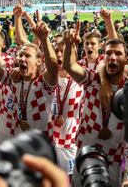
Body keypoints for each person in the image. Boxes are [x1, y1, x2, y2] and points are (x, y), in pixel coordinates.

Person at [0, 11, 58, 139]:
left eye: (27, 55)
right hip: (19, 140)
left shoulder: (45, 83)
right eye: (20, 55)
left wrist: (44, 39)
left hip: (41, 143)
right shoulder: (13, 78)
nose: (21, 58)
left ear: (39, 61)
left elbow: (53, 65)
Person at [63, 23, 128, 186]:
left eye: (118, 54)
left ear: (127, 59)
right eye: (108, 53)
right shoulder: (91, 79)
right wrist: (68, 44)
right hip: (85, 154)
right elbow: (69, 66)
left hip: (112, 158)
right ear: (104, 57)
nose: (113, 57)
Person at [51, 23, 83, 175]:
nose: (58, 55)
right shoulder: (47, 77)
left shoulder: (81, 79)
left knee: (68, 177)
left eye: (62, 52)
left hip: (70, 137)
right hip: (49, 135)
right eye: (56, 51)